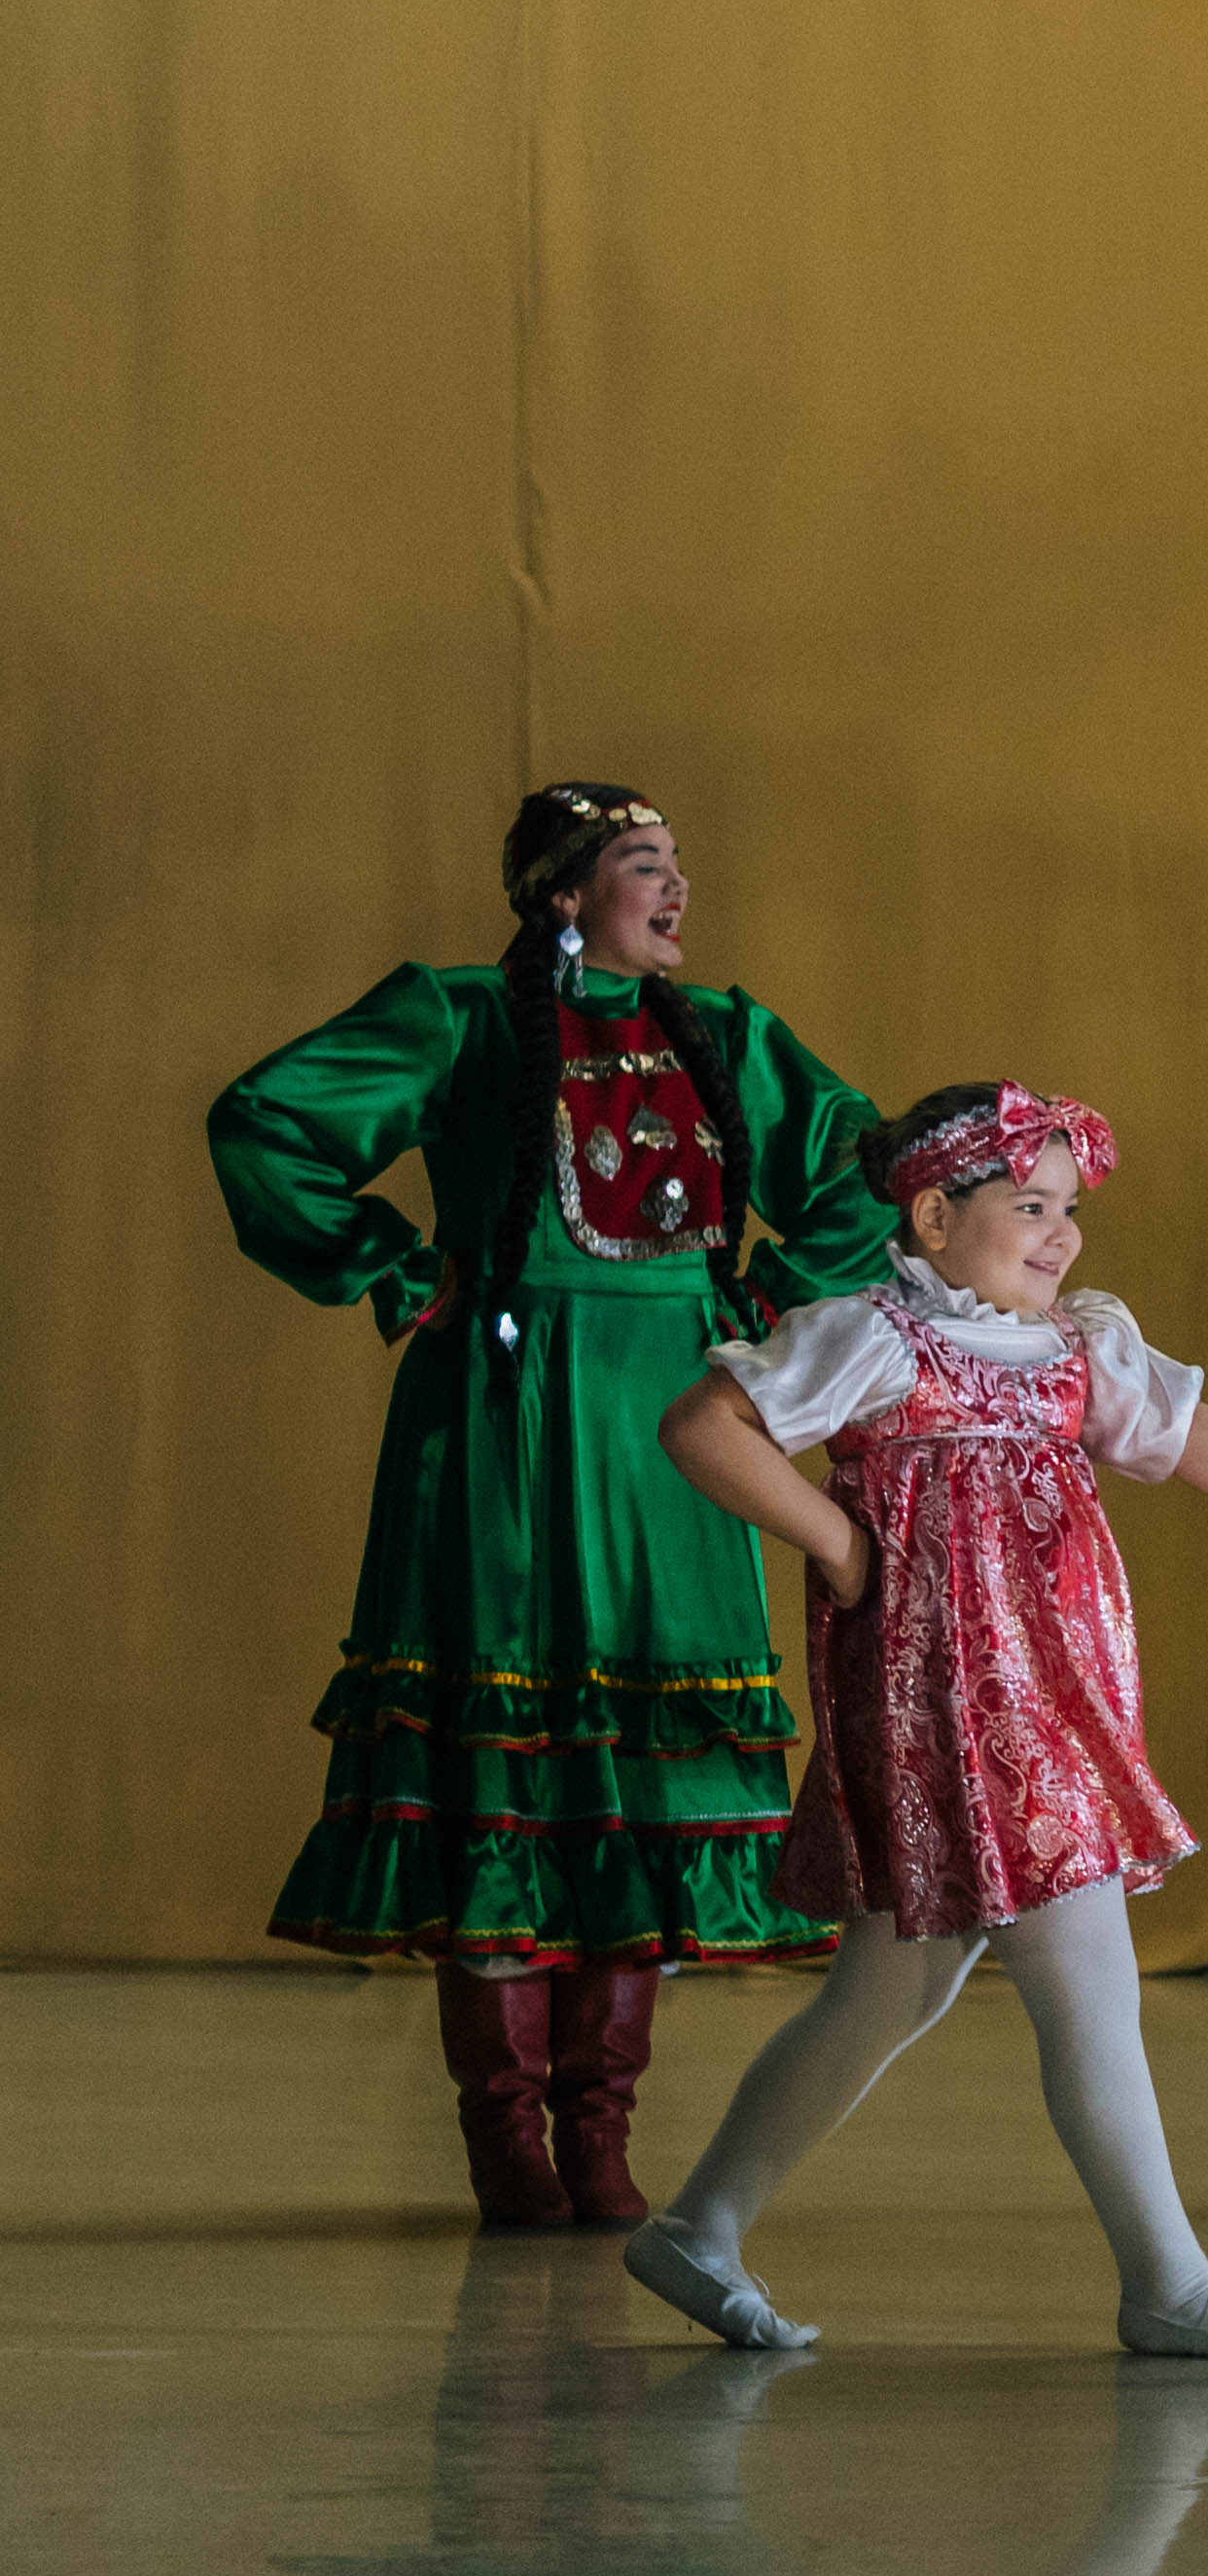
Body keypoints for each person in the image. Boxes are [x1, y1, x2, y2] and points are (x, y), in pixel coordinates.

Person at [634, 1081, 1208, 2357]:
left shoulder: (1075, 1350)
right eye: (1029, 1206)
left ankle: (699, 2224)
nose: (1061, 1233)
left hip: (1050, 1699)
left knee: (889, 1988)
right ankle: (1167, 2278)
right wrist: (838, 1540)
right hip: (951, 1709)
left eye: (1069, 1208)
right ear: (933, 1217)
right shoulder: (876, 1338)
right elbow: (706, 1425)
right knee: (1086, 1965)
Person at [211, 784, 888, 2230]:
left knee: (640, 1770)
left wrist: (766, 1295)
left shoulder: (729, 1035)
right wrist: (399, 1269)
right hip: (507, 1420)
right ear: (564, 893)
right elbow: (263, 1121)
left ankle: (601, 2126)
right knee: (507, 1766)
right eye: (646, 864)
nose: (678, 886)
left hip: (679, 1436)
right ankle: (505, 2133)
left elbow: (869, 1171)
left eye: (680, 862)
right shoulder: (461, 1016)